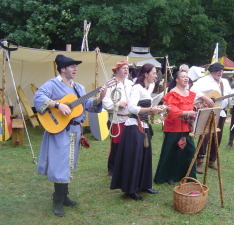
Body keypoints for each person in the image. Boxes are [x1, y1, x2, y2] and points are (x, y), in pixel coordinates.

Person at [34, 54, 110, 217]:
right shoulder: (52, 84)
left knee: (68, 164)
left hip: (75, 130)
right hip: (60, 130)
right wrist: (58, 104)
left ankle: (64, 196)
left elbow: (88, 105)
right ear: (62, 69)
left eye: (76, 66)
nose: (75, 69)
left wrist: (101, 96)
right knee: (60, 165)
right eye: (72, 66)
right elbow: (38, 98)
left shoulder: (79, 88)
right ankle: (58, 201)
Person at [110, 63, 167, 201]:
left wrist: (157, 108)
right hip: (134, 126)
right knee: (135, 158)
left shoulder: (148, 87)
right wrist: (150, 110)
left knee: (145, 156)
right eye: (154, 73)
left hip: (144, 125)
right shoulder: (137, 88)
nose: (156, 76)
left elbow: (146, 105)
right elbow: (131, 108)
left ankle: (144, 185)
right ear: (146, 74)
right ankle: (131, 189)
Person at [190, 63, 234, 174]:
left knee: (217, 137)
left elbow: (230, 97)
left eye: (221, 70)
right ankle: (199, 161)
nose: (220, 72)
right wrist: (205, 98)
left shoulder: (225, 82)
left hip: (220, 112)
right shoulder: (203, 80)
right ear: (212, 71)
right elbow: (193, 90)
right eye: (217, 70)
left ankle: (211, 160)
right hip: (207, 111)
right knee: (205, 136)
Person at [154, 70, 197, 185]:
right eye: (183, 77)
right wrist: (187, 113)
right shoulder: (172, 93)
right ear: (177, 80)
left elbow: (192, 107)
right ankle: (169, 176)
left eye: (187, 77)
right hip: (174, 126)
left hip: (187, 127)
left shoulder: (190, 93)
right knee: (172, 152)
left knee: (189, 151)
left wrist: (195, 110)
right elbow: (171, 109)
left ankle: (188, 175)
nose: (186, 79)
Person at [102, 60, 133, 179]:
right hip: (117, 119)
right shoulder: (110, 84)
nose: (126, 70)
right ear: (116, 70)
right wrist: (118, 104)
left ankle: (125, 167)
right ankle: (112, 169)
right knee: (116, 145)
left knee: (128, 144)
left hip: (129, 118)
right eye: (124, 68)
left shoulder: (130, 84)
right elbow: (105, 102)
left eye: (127, 68)